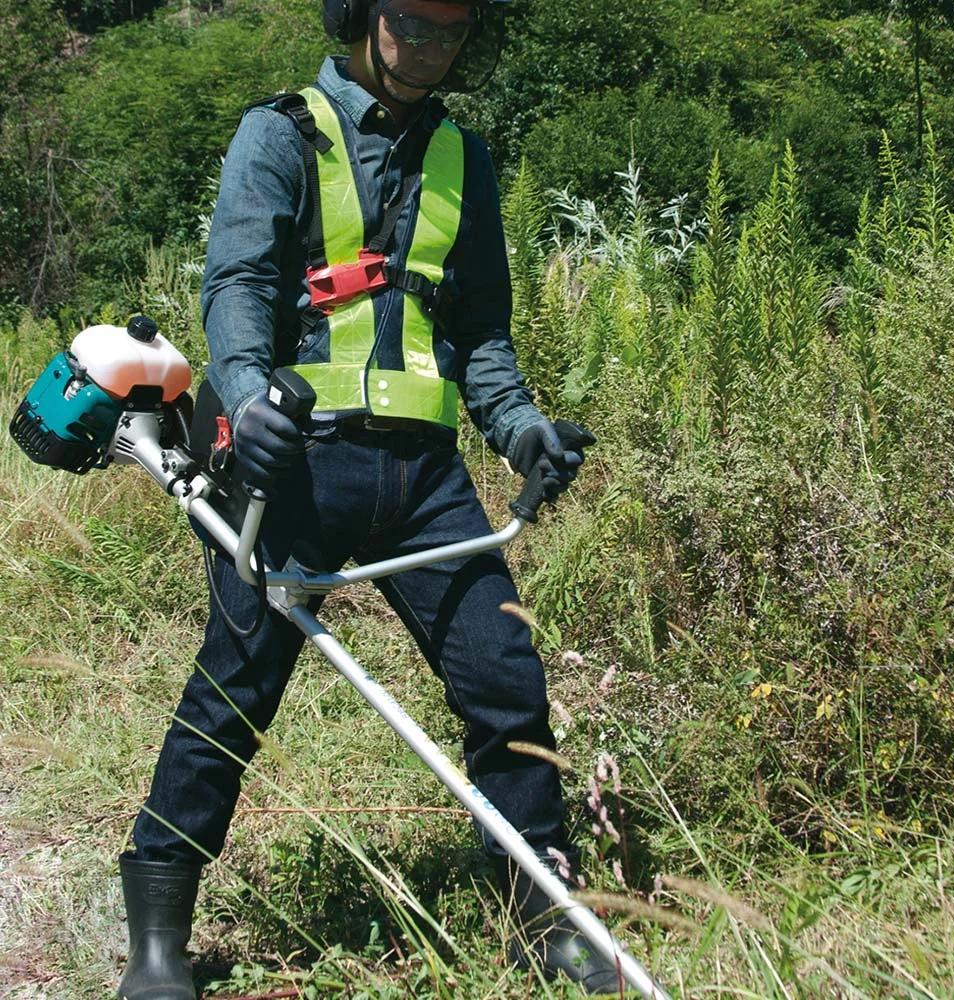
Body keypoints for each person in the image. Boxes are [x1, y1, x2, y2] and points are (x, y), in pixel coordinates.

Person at [116, 1, 619, 996]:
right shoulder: (281, 133)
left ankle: (545, 920)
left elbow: (479, 337)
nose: (430, 45)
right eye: (410, 20)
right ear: (361, 12)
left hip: (426, 481)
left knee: (504, 675)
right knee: (233, 689)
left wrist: (522, 432)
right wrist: (251, 395)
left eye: (451, 28)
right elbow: (239, 284)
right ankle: (157, 942)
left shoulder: (461, 157)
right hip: (296, 469)